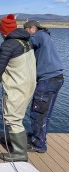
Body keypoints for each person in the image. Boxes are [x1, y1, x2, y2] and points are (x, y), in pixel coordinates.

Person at [0, 14, 36, 162]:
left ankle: (20, 153)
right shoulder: (26, 41)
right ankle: (12, 140)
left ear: (3, 32)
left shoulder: (8, 44)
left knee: (13, 118)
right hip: (28, 84)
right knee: (14, 114)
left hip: (18, 86)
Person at [24, 20, 64, 153]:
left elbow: (25, 45)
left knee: (38, 112)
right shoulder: (46, 36)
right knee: (44, 112)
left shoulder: (38, 36)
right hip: (56, 78)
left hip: (47, 80)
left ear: (33, 28)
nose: (26, 33)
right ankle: (38, 137)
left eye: (26, 30)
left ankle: (39, 145)